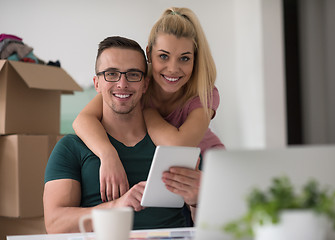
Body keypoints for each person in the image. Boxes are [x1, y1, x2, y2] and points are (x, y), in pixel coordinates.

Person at [43, 36, 201, 233]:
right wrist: (115, 207)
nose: (122, 83)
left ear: (145, 84)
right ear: (97, 83)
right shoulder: (70, 148)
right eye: (111, 74)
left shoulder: (173, 144)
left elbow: (209, 224)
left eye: (133, 74)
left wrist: (197, 201)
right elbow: (55, 224)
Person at [72, 7, 225, 203]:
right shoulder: (136, 82)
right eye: (163, 56)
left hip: (208, 167)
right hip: (170, 173)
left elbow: (179, 147)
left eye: (184, 58)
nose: (173, 68)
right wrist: (108, 154)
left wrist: (148, 112)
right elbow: (82, 120)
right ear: (149, 53)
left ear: (195, 59)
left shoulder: (203, 92)